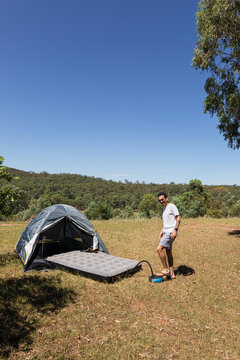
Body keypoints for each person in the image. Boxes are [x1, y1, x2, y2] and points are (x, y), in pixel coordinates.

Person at [156, 192, 181, 279]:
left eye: (162, 199)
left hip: (170, 232)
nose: (161, 201)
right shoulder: (164, 208)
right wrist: (162, 231)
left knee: (159, 249)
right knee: (168, 252)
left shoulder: (171, 206)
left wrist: (175, 230)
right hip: (166, 231)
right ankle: (172, 273)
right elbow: (167, 222)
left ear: (166, 198)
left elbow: (178, 217)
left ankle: (165, 269)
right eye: (159, 200)